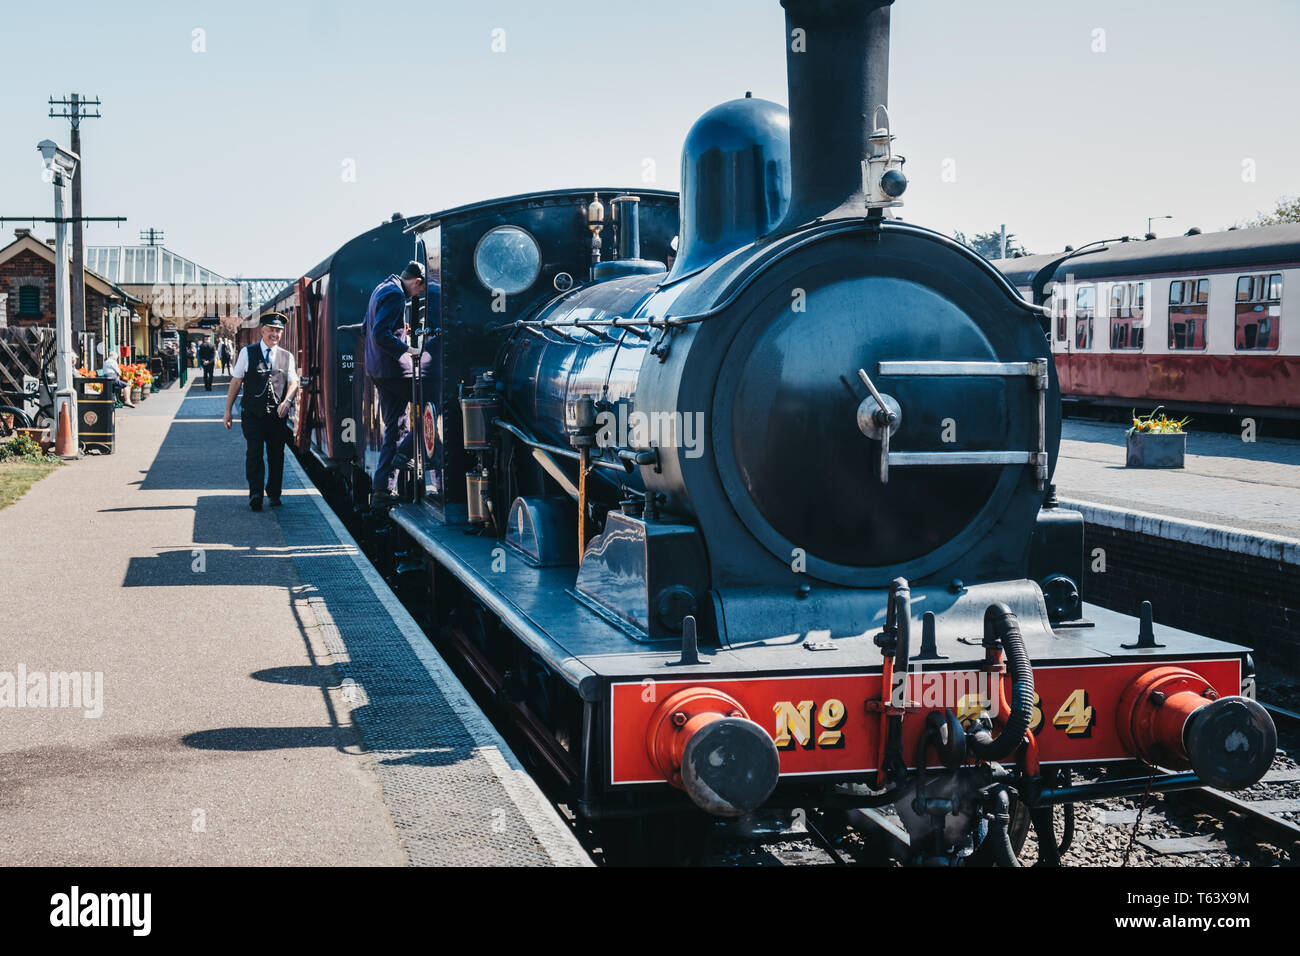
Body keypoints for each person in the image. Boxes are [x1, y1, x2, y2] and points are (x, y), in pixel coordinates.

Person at [364, 260, 426, 505]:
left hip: (377, 370)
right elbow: (380, 334)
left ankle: (382, 489)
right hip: (394, 371)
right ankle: (404, 453)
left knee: (396, 427)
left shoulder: (381, 288)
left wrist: (400, 329)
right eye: (420, 290)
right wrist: (409, 348)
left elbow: (369, 328)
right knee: (438, 402)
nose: (417, 295)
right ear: (417, 281)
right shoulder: (396, 295)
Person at [223, 313, 299, 511]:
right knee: (254, 453)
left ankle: (274, 493)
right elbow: (236, 381)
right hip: (252, 414)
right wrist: (228, 411)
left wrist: (288, 400)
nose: (275, 334)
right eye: (271, 329)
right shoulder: (247, 353)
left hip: (276, 416)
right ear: (262, 330)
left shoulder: (286, 356)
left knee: (276, 454)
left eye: (279, 330)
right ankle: (255, 493)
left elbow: (294, 382)